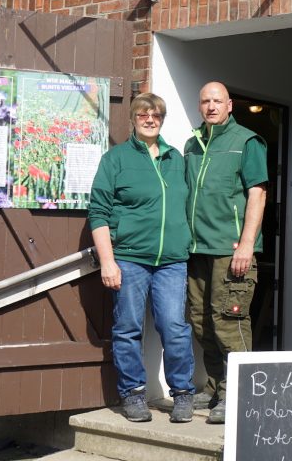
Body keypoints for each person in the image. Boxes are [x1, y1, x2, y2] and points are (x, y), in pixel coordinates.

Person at [88, 92, 196, 423]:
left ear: (162, 120)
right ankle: (133, 394)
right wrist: (108, 260)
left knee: (174, 326)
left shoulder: (175, 158)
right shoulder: (116, 159)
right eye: (143, 115)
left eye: (156, 115)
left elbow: (192, 203)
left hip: (171, 261)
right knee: (128, 327)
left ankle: (183, 393)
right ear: (133, 120)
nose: (150, 119)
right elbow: (99, 212)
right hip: (130, 259)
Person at [185, 82, 268, 424]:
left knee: (228, 322)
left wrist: (247, 244)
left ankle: (238, 394)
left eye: (217, 100)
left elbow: (258, 194)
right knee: (201, 323)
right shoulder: (193, 143)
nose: (211, 106)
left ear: (230, 105)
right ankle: (215, 387)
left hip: (230, 250)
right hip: (196, 249)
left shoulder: (247, 141)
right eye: (205, 100)